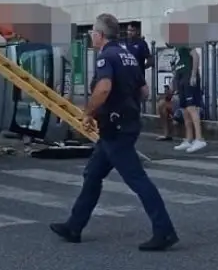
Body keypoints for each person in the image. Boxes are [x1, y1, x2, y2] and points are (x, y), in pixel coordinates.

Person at [50, 13, 179, 251]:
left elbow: (104, 88)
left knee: (137, 179)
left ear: (99, 35)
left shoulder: (106, 56)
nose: (90, 36)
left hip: (115, 128)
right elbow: (144, 91)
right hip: (124, 124)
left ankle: (165, 230)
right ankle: (74, 226)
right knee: (93, 174)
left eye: (92, 33)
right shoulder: (127, 55)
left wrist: (89, 112)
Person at [172, 44, 206, 153]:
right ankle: (189, 138)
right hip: (181, 77)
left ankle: (199, 138)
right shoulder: (177, 47)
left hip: (188, 77)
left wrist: (193, 75)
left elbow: (196, 56)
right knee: (184, 110)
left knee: (192, 108)